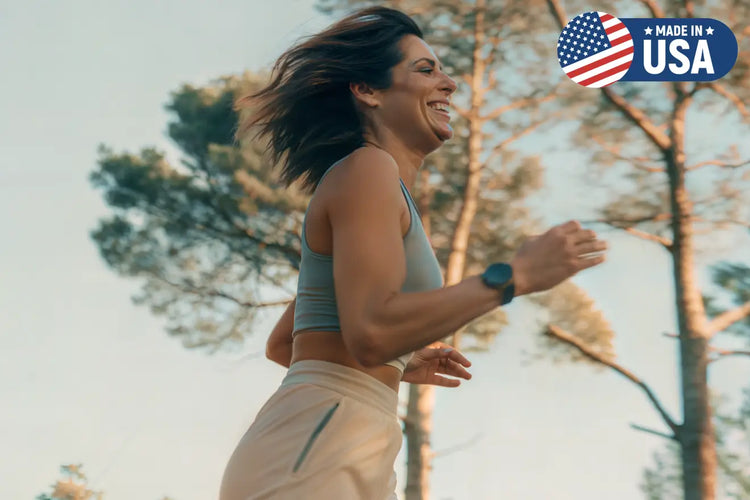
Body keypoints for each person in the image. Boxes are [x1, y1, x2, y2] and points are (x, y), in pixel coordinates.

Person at [219, 6, 607, 500]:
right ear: (368, 90)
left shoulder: (380, 186)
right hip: (318, 442)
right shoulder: (368, 169)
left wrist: (400, 358)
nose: (450, 84)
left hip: (347, 435)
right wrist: (514, 276)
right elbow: (371, 333)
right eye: (426, 70)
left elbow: (285, 344)